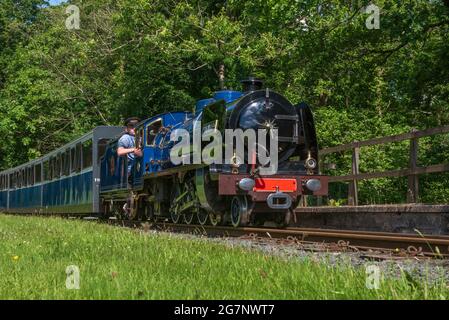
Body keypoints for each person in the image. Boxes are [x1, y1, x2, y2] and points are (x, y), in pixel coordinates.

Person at [117, 117, 142, 217]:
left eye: (136, 126)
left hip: (140, 166)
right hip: (131, 169)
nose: (133, 128)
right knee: (131, 190)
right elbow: (120, 152)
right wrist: (133, 150)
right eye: (131, 126)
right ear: (126, 128)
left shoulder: (141, 138)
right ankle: (128, 206)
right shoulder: (125, 138)